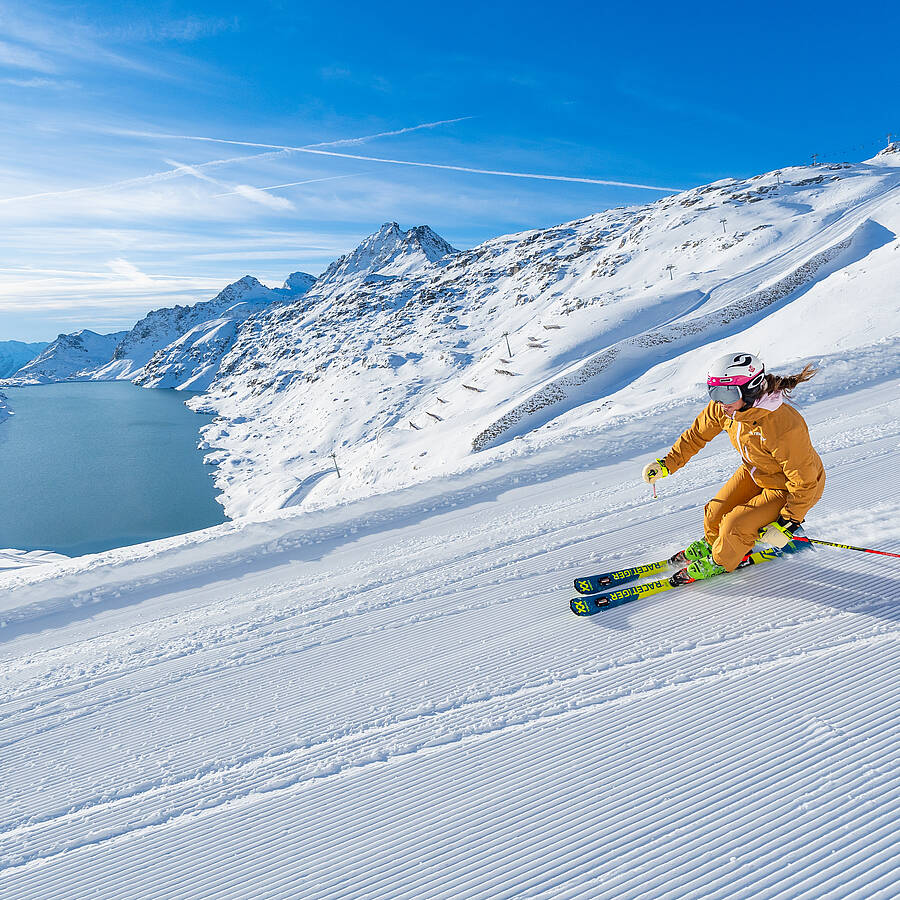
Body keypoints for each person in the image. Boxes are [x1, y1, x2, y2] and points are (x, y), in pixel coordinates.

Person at [641, 352, 825, 582]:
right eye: (714, 392)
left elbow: (804, 481)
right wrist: (667, 465)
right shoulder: (726, 408)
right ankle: (715, 545)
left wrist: (788, 522)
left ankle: (722, 561)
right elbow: (696, 435)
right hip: (756, 471)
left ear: (751, 389)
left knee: (735, 525)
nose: (719, 401)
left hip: (789, 488)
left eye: (726, 393)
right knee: (714, 513)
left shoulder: (783, 425)